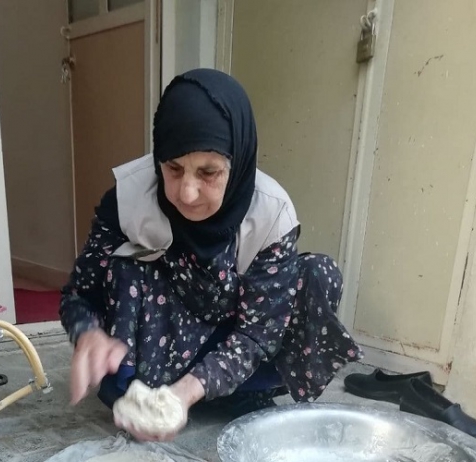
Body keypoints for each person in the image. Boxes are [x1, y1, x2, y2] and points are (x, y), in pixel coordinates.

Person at [60, 68, 360, 440]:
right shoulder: (126, 200)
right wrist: (88, 333)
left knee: (318, 272)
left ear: (237, 162)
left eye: (208, 172)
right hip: (164, 344)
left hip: (235, 343)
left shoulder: (271, 212)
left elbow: (257, 334)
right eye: (173, 168)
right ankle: (145, 390)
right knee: (127, 265)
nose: (187, 193)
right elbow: (79, 294)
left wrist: (186, 393)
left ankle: (234, 391)